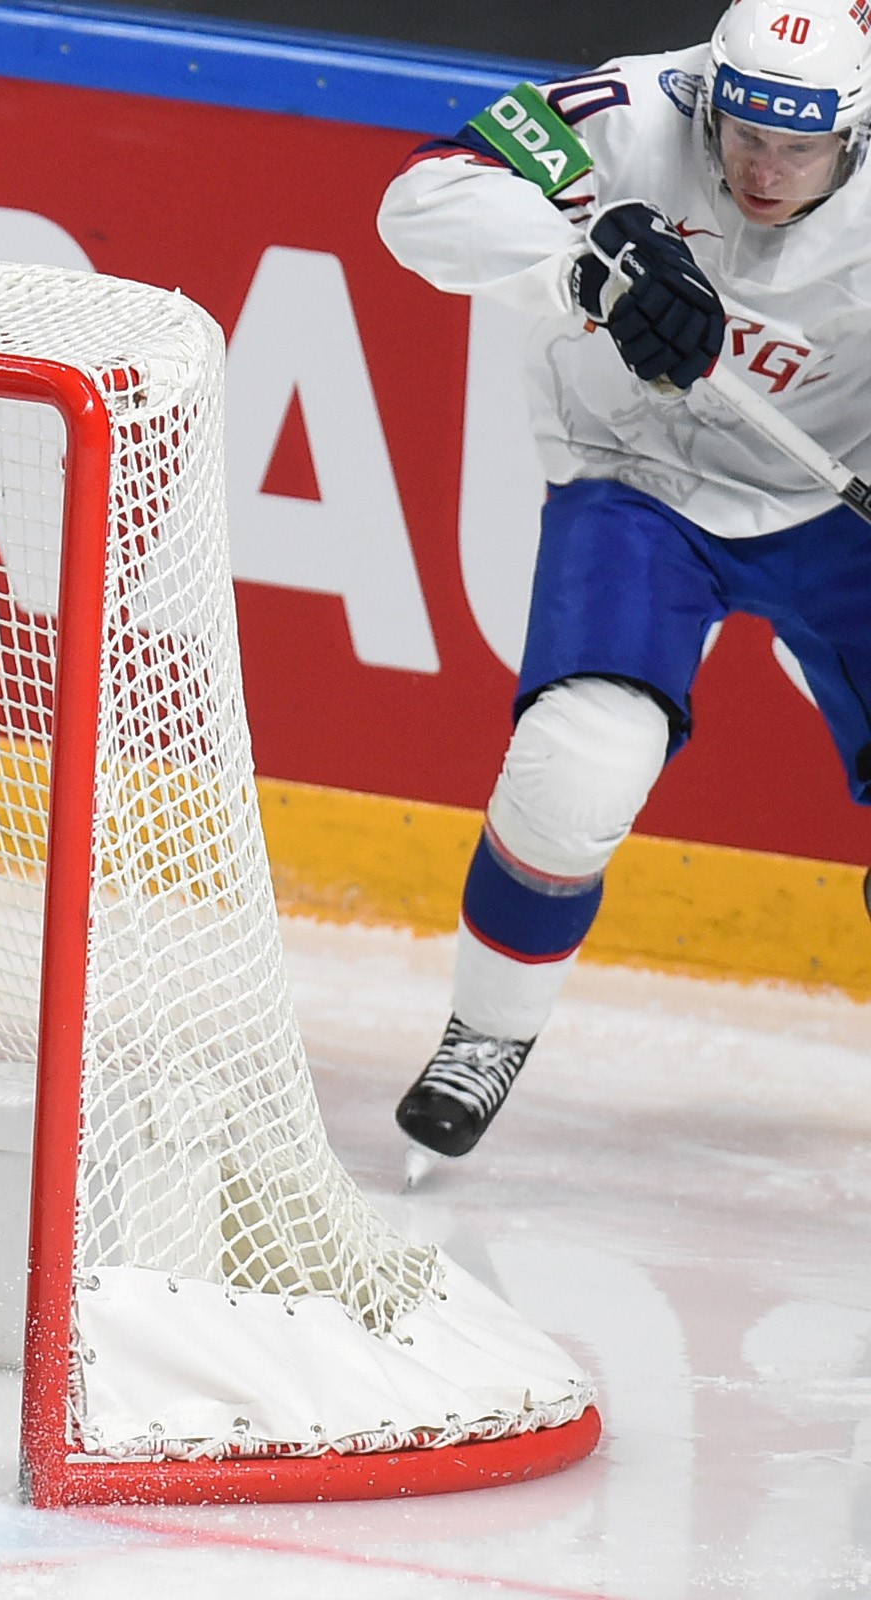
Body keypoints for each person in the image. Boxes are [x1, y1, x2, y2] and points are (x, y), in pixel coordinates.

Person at [376, 0, 871, 1164]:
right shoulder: (636, 107)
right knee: (580, 760)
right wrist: (577, 267)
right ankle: (485, 1032)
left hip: (836, 499)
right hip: (638, 478)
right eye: (744, 131)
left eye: (800, 147)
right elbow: (424, 192)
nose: (761, 167)